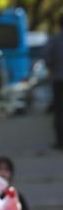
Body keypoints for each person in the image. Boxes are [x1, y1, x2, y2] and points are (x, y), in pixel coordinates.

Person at [43, 14, 63, 150]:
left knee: (59, 111)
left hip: (58, 79)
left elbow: (47, 59)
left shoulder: (54, 41)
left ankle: (60, 141)